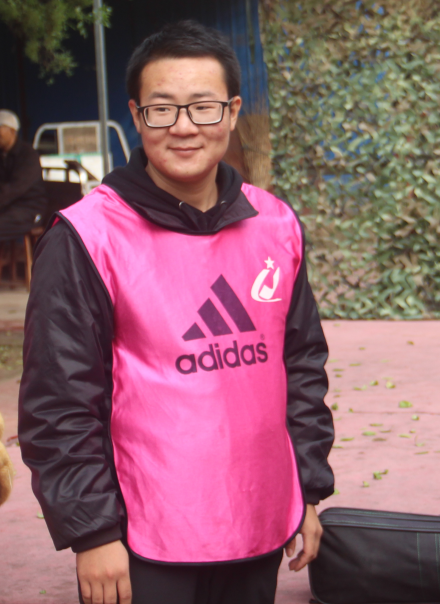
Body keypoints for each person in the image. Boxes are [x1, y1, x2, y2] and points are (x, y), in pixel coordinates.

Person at [19, 20, 334, 604]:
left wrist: (306, 491)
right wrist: (92, 532)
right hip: (143, 538)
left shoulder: (275, 226)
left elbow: (302, 366)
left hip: (258, 520)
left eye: (204, 107)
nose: (184, 127)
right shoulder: (88, 237)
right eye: (162, 109)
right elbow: (58, 400)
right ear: (137, 117)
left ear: (232, 113)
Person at [0, 110, 47, 239]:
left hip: (30, 209)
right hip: (8, 207)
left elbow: (14, 189)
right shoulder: (2, 155)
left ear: (12, 131)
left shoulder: (28, 155)